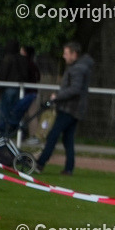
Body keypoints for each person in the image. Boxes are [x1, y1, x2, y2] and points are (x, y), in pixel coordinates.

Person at [37, 41, 93, 176]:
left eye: (66, 53)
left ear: (74, 54)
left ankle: (40, 163)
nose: (64, 56)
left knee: (53, 135)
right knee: (68, 139)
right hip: (74, 109)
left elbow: (74, 89)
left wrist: (57, 96)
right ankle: (68, 168)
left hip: (69, 108)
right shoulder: (80, 67)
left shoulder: (77, 69)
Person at [0, 40, 28, 137]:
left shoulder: (8, 59)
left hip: (9, 88)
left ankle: (3, 133)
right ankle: (15, 133)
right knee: (16, 112)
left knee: (4, 112)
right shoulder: (22, 59)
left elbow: (3, 74)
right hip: (19, 88)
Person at [18, 45, 41, 141]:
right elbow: (38, 77)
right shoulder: (33, 64)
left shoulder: (25, 63)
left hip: (27, 92)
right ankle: (29, 134)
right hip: (32, 92)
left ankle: (31, 135)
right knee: (31, 114)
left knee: (30, 114)